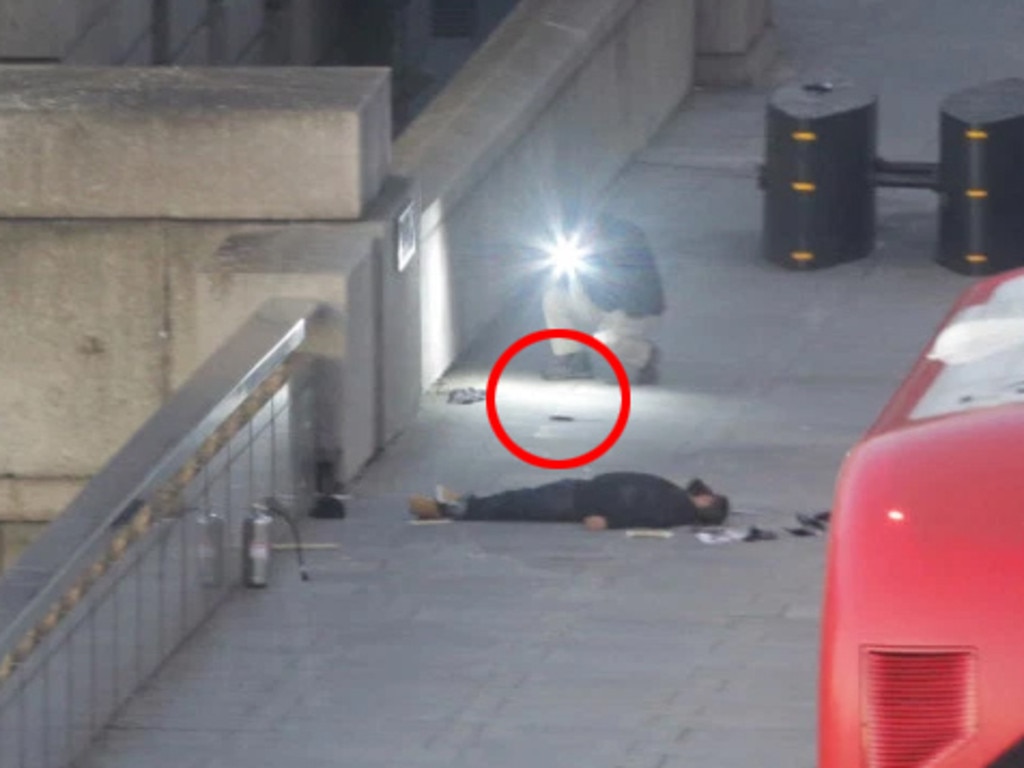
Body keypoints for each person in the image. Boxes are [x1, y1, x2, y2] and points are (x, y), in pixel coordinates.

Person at [541, 211, 665, 384]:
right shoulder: (583, 245)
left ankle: (645, 355)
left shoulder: (626, 244)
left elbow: (640, 282)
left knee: (602, 341)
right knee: (555, 298)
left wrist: (629, 311)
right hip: (603, 303)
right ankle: (572, 359)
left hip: (635, 310)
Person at [408, 473, 729, 531]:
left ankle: (452, 509)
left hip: (579, 500)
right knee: (520, 500)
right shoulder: (679, 500)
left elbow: (642, 516)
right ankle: (464, 503)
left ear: (707, 502)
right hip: (582, 493)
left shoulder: (674, 510)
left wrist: (609, 521)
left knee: (520, 504)